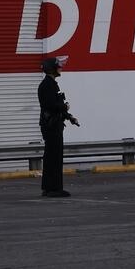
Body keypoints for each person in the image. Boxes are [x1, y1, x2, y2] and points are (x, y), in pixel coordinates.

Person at [38, 56, 79, 197]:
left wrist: (69, 117)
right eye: (58, 66)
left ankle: (50, 187)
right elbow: (50, 105)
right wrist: (64, 106)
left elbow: (55, 106)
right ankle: (54, 189)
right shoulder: (47, 85)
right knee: (54, 157)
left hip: (53, 124)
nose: (60, 68)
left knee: (52, 156)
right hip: (51, 126)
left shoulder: (50, 84)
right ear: (52, 68)